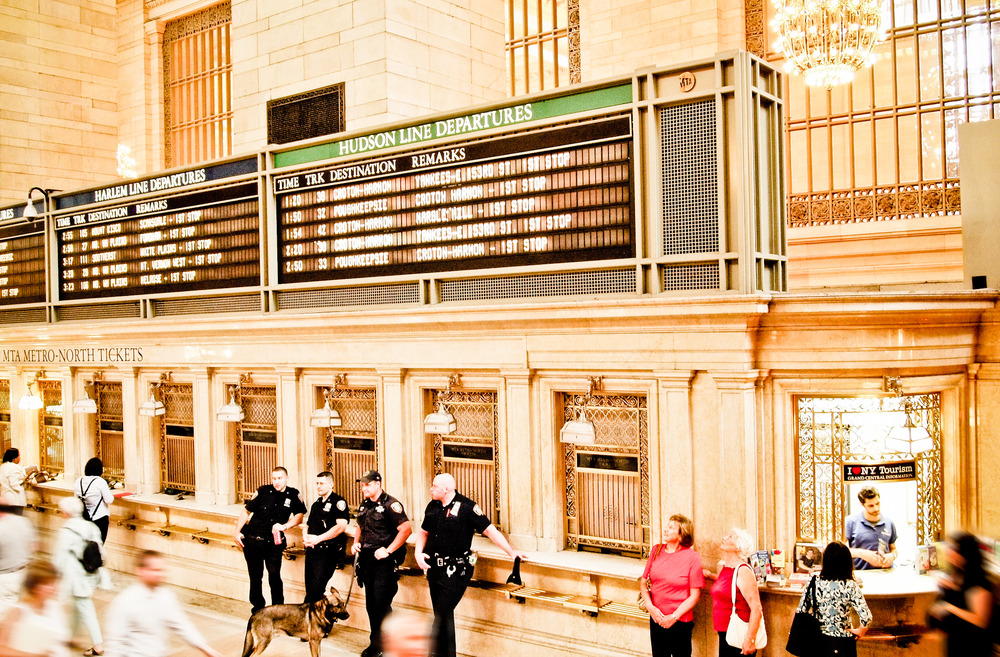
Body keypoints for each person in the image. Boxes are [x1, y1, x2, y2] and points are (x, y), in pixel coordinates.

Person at [414, 473, 529, 657]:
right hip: (435, 569)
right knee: (443, 616)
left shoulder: (467, 507)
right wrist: (418, 553)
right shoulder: (433, 506)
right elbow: (423, 532)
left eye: (434, 486)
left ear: (446, 489)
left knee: (442, 614)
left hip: (457, 570)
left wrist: (511, 551)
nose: (431, 488)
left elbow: (490, 531)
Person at [102, 550, 222, 657]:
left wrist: (205, 648)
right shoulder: (125, 602)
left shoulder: (166, 596)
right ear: (141, 571)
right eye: (155, 570)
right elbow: (115, 643)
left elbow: (182, 625)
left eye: (162, 570)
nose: (161, 575)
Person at [351, 470, 411, 657]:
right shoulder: (365, 505)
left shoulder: (391, 505)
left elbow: (406, 529)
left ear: (378, 483)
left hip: (383, 562)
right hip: (367, 560)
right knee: (371, 605)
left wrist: (388, 550)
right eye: (362, 485)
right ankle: (376, 643)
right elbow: (360, 526)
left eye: (367, 484)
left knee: (381, 604)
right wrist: (355, 543)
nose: (363, 488)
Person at [234, 466, 306, 613]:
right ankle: (258, 608)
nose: (277, 481)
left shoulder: (293, 494)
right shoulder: (263, 491)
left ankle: (277, 609)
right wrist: (236, 531)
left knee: (274, 576)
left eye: (280, 478)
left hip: (273, 543)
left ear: (286, 478)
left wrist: (285, 526)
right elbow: (246, 511)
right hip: (253, 540)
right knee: (255, 576)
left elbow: (299, 516)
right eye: (274, 478)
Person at [639, 514, 705, 657]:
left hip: (680, 621)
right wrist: (651, 608)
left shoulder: (692, 557)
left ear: (682, 534)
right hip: (656, 618)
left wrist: (673, 617)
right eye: (666, 526)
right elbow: (643, 582)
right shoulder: (656, 550)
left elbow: (695, 595)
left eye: (671, 527)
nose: (666, 530)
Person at [795, 541, 871, 657]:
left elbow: (801, 610)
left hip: (817, 640)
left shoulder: (814, 581)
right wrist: (860, 631)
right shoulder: (850, 585)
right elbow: (866, 617)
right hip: (843, 643)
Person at [928, 531, 995, 657]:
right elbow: (962, 593)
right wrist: (949, 587)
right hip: (957, 641)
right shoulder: (959, 573)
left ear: (965, 552)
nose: (949, 552)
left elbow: (981, 620)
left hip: (973, 645)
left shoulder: (978, 580)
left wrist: (949, 608)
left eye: (954, 549)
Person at [53, 496, 106, 656]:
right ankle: (70, 636)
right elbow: (100, 549)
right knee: (78, 607)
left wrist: (54, 576)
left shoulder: (66, 531)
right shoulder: (91, 527)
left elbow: (59, 556)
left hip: (76, 576)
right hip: (91, 572)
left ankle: (98, 644)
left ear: (66, 513)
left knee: (85, 607)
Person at [705, 528, 764, 656]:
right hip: (726, 632)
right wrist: (710, 576)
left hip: (739, 633)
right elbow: (728, 585)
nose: (724, 538)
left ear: (739, 547)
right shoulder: (726, 567)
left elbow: (756, 607)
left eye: (730, 536)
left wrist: (750, 639)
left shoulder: (743, 570)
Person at [0, 559, 71, 657]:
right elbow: (2, 649)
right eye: (48, 584)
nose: (54, 588)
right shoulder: (18, 611)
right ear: (35, 587)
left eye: (54, 583)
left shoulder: (55, 607)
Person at [302, 471, 350, 603]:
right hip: (312, 551)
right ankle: (310, 620)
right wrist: (306, 537)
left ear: (331, 484)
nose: (318, 486)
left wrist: (318, 539)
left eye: (322, 483)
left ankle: (311, 621)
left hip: (326, 552)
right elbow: (308, 525)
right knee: (310, 589)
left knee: (316, 590)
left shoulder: (338, 502)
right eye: (317, 483)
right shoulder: (316, 504)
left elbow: (341, 526)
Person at [0, 495, 37, 619]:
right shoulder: (23, 521)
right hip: (24, 572)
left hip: (6, 577)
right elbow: (34, 547)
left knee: (4, 613)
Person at [845, 486, 897, 570]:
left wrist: (892, 556)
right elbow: (838, 551)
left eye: (877, 503)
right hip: (861, 573)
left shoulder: (889, 522)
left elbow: (893, 549)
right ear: (863, 504)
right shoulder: (851, 522)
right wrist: (861, 553)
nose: (876, 508)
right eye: (871, 506)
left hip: (886, 573)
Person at [74, 458, 114, 543]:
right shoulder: (100, 482)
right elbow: (109, 500)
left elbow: (76, 500)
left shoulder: (78, 481)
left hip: (83, 518)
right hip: (99, 518)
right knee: (98, 546)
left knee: (85, 545)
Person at [0, 448, 37, 515]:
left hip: (6, 499)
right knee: (15, 521)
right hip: (14, 501)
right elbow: (15, 484)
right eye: (19, 456)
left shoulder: (3, 467)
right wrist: (26, 478)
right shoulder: (13, 468)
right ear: (14, 458)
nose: (20, 458)